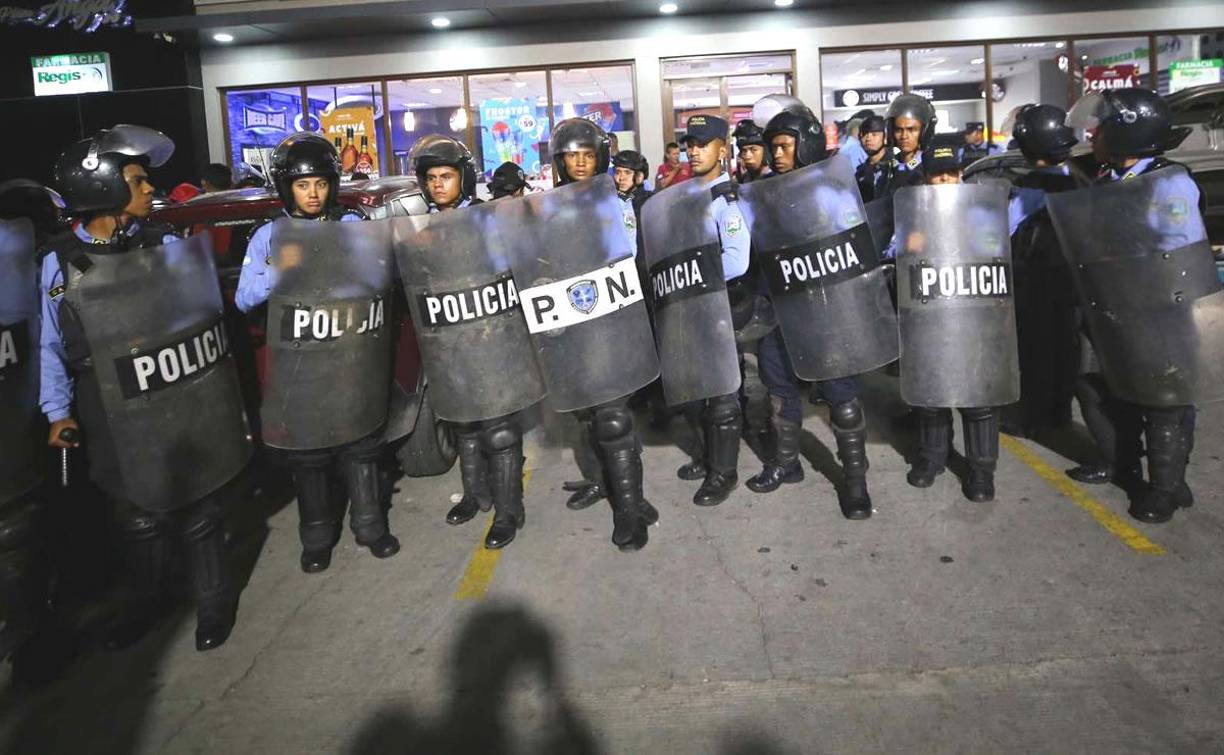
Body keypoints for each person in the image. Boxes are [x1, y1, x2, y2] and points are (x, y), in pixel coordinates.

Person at [40, 126, 241, 651]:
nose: (151, 188)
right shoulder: (62, 266)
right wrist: (57, 411)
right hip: (108, 401)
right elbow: (50, 344)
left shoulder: (165, 244)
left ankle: (213, 601)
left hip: (177, 386)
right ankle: (149, 600)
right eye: (137, 179)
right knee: (135, 511)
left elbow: (202, 315)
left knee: (197, 502)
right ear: (104, 187)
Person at [237, 133, 401, 570]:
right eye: (302, 184)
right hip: (299, 360)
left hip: (349, 352)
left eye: (321, 184)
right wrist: (285, 269)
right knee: (309, 454)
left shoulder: (350, 224)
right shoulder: (268, 236)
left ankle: (371, 526)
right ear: (286, 187)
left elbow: (378, 277)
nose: (313, 194)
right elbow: (245, 296)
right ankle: (316, 537)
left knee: (360, 443)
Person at [1057, 89, 1203, 524]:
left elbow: (1181, 250)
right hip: (1107, 304)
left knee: (1163, 400)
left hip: (1155, 308)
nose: (1093, 134)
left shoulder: (1169, 182)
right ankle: (1117, 461)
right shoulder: (1103, 177)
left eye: (1101, 127)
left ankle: (1166, 486)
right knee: (1096, 385)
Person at [746, 104, 875, 520]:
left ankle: (855, 482)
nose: (777, 154)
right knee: (779, 391)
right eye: (773, 147)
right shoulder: (762, 192)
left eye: (784, 146)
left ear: (806, 146)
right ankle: (787, 463)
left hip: (826, 311)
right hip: (778, 310)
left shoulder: (831, 192)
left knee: (842, 397)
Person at [412, 138, 528, 550]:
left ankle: (509, 510)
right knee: (464, 424)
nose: (439, 185)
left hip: (489, 332)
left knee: (498, 428)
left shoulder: (486, 217)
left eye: (446, 176)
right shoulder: (419, 226)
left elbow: (509, 266)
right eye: (432, 178)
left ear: (463, 178)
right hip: (448, 338)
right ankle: (475, 497)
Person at [547, 117, 657, 550]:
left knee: (613, 418)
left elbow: (624, 253)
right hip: (570, 320)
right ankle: (601, 480)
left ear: (601, 158)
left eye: (586, 155)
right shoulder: (550, 205)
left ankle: (630, 508)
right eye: (570, 156)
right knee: (585, 413)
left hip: (610, 317)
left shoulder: (615, 203)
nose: (578, 163)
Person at [900, 137, 1004, 502]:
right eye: (936, 176)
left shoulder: (979, 208)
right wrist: (906, 245)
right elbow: (892, 251)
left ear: (960, 174)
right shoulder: (912, 211)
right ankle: (931, 458)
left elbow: (995, 249)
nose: (943, 182)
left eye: (949, 174)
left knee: (977, 396)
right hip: (929, 311)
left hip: (974, 310)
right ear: (925, 178)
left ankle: (981, 470)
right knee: (931, 391)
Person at [669, 115, 752, 506]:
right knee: (700, 392)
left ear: (723, 148)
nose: (695, 150)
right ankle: (707, 458)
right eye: (690, 143)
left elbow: (736, 260)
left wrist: (691, 273)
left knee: (722, 398)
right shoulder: (688, 194)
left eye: (704, 143)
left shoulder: (725, 202)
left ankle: (725, 473)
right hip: (694, 309)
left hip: (720, 309)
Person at [999, 104, 1082, 439]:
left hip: (1034, 279)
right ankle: (1060, 411)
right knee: (1065, 347)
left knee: (1034, 350)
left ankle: (1034, 418)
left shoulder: (1030, 188)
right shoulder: (1078, 180)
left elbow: (1003, 229)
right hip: (1071, 277)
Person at [883, 94, 936, 195]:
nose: (904, 136)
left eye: (912, 130)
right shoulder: (888, 168)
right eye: (898, 130)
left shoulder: (932, 167)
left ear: (925, 132)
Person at [854, 115, 891, 201]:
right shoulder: (860, 172)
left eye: (874, 134)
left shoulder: (895, 165)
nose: (868, 139)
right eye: (864, 134)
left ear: (885, 138)